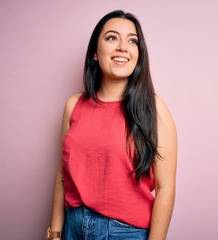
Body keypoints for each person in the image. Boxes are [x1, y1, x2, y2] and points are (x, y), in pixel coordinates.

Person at [47, 10, 177, 240]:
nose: (123, 47)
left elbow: (166, 189)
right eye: (112, 38)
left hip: (124, 233)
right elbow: (62, 174)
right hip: (73, 227)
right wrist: (55, 233)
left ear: (139, 54)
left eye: (132, 41)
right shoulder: (74, 105)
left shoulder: (154, 109)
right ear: (95, 53)